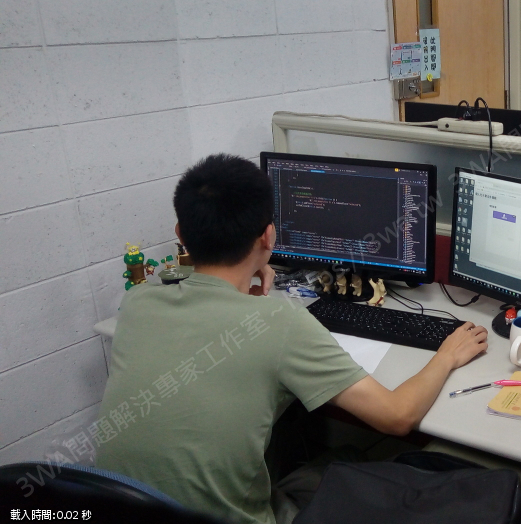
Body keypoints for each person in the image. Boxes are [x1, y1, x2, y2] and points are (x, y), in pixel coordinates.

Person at [95, 154, 488, 524]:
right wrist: (447, 354)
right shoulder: (278, 323)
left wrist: (242, 291)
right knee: (352, 458)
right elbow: (397, 417)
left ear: (181, 234)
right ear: (269, 236)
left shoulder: (138, 303)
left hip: (124, 509)